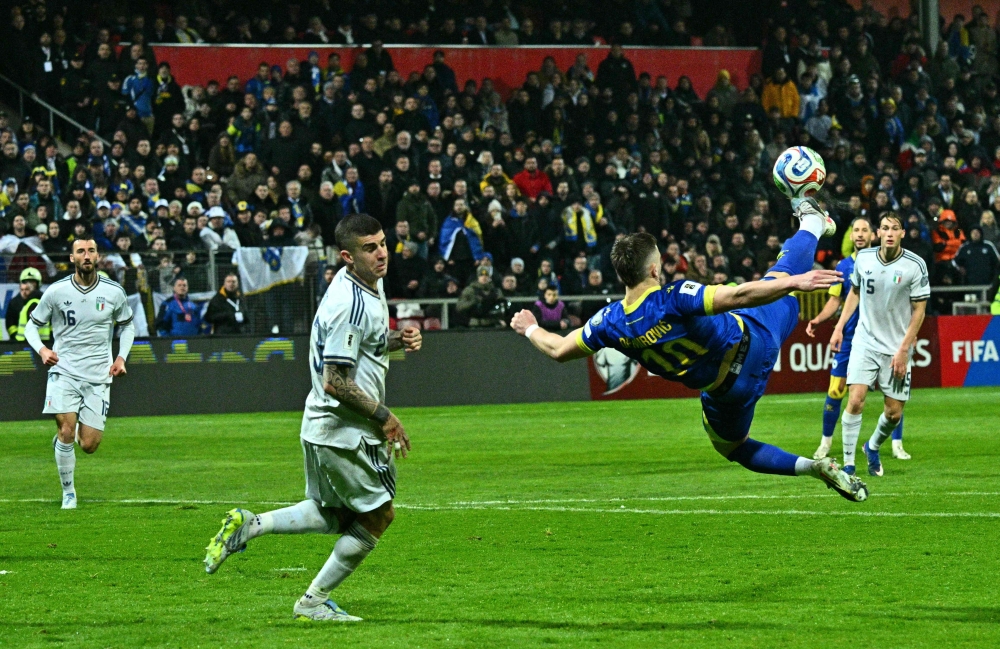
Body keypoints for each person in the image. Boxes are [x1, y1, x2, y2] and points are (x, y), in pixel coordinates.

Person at [510, 199, 869, 501]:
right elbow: (739, 295)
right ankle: (811, 220)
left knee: (734, 448)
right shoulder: (674, 296)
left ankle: (812, 467)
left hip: (728, 392)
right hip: (756, 340)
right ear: (655, 269)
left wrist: (530, 328)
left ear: (621, 275)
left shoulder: (609, 322)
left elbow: (558, 349)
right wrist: (797, 281)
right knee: (780, 276)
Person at [204, 214, 422, 623]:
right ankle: (313, 602)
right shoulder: (349, 305)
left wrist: (397, 339)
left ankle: (253, 525)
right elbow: (335, 380)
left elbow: (365, 345)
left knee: (336, 514)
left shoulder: (366, 283)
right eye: (369, 248)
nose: (381, 254)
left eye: (382, 243)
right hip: (346, 431)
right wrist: (385, 416)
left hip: (323, 427)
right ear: (347, 256)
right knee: (379, 516)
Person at [23, 236, 135, 509]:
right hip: (64, 371)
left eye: (91, 251)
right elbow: (31, 326)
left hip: (98, 375)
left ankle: (64, 442)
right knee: (66, 430)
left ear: (97, 257)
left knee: (88, 445)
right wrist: (43, 350)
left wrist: (121, 357)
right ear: (72, 258)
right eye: (81, 251)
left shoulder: (113, 291)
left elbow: (127, 325)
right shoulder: (56, 291)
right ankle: (69, 494)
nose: (86, 255)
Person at [830, 213, 929, 476]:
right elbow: (854, 292)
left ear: (902, 234)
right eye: (885, 228)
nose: (889, 233)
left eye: (895, 228)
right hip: (865, 341)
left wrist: (904, 349)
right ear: (878, 233)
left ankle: (872, 446)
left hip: (897, 347)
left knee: (894, 413)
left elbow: (919, 310)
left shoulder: (915, 265)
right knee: (855, 400)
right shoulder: (863, 259)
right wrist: (839, 327)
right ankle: (849, 466)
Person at [805, 217, 903, 460]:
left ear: (872, 235)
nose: (859, 234)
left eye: (864, 230)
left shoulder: (885, 262)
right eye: (855, 230)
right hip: (850, 337)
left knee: (892, 392)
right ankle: (825, 443)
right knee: (836, 390)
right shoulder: (843, 266)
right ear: (851, 236)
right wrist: (819, 319)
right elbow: (835, 299)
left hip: (882, 337)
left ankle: (897, 444)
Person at [5, 267, 50, 342]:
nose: (29, 284)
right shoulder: (14, 302)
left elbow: (53, 322)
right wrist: (15, 337)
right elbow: (10, 323)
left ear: (38, 284)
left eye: (32, 282)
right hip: (20, 342)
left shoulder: (45, 300)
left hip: (44, 342)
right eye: (26, 282)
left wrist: (51, 337)